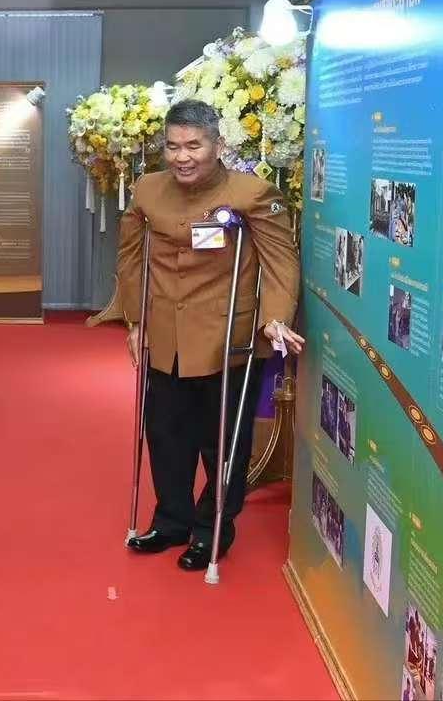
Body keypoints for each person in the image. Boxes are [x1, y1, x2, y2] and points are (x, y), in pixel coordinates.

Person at [116, 100, 303, 571]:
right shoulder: (147, 190)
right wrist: (134, 322)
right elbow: (130, 256)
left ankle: (211, 529)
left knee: (222, 442)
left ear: (217, 145)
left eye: (193, 146)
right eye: (173, 146)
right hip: (166, 334)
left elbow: (280, 261)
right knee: (165, 434)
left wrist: (275, 317)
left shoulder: (251, 193)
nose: (182, 157)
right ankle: (171, 520)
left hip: (227, 339)